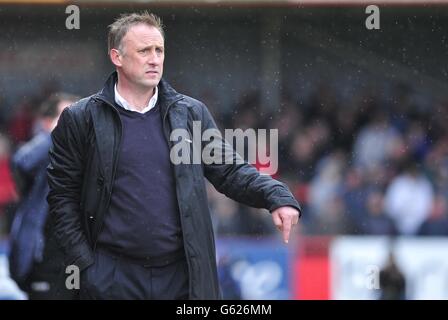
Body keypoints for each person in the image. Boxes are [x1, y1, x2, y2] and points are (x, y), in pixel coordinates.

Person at [47, 11, 301, 300]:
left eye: (159, 50)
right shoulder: (82, 118)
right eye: (144, 51)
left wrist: (276, 195)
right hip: (111, 278)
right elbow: (61, 198)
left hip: (180, 277)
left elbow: (229, 170)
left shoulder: (190, 114)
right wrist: (87, 266)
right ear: (117, 57)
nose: (154, 58)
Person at [9, 93, 79, 299]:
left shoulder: (88, 153)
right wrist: (60, 133)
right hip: (44, 261)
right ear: (48, 122)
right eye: (69, 116)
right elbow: (22, 163)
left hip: (77, 264)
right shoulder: (40, 154)